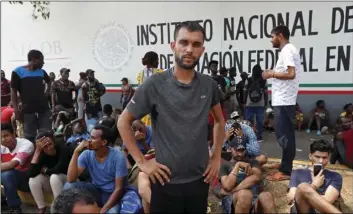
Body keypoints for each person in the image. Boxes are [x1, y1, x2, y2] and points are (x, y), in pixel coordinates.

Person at [118, 21, 225, 213]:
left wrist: (216, 157)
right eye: (184, 42)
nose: (189, 49)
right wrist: (142, 162)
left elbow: (219, 121)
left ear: (202, 50)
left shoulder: (209, 85)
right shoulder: (154, 85)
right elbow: (123, 122)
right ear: (173, 46)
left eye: (196, 44)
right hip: (165, 180)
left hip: (200, 180)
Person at [262, 25, 301, 181]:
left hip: (284, 100)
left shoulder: (287, 50)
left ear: (280, 35)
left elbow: (291, 74)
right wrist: (274, 72)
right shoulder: (288, 50)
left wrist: (271, 73)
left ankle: (286, 170)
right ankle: (286, 164)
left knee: (284, 135)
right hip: (285, 99)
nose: (271, 40)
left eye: (272, 37)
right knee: (285, 134)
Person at [65, 125, 128, 213]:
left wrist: (103, 210)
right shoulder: (87, 154)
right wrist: (76, 152)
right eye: (89, 137)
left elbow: (119, 189)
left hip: (112, 195)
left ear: (104, 142)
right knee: (69, 186)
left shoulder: (118, 157)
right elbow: (71, 179)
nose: (88, 140)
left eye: (93, 138)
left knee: (112, 212)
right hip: (96, 191)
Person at [219, 137, 277, 214]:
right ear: (230, 148)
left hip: (254, 199)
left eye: (242, 150)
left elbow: (256, 178)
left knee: (267, 196)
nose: (239, 154)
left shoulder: (252, 162)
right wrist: (237, 166)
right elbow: (227, 185)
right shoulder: (225, 165)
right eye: (237, 150)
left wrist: (232, 191)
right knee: (244, 195)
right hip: (233, 201)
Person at [287, 140, 342, 213]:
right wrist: (314, 185)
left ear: (328, 158)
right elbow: (291, 198)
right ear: (310, 156)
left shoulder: (335, 176)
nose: (321, 161)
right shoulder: (297, 173)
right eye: (317, 157)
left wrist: (304, 196)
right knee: (303, 187)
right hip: (302, 210)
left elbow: (328, 200)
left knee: (303, 187)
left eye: (324, 157)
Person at [10, 50, 52, 143]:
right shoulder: (17, 72)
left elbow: (49, 82)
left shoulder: (42, 72)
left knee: (46, 134)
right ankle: (32, 156)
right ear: (33, 59)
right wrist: (16, 110)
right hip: (27, 110)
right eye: (41, 60)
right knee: (29, 137)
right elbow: (13, 92)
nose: (43, 63)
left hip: (44, 109)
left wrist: (47, 92)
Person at [28, 131, 71, 214]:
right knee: (33, 180)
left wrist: (45, 170)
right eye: (44, 146)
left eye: (50, 144)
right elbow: (31, 173)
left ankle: (59, 209)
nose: (49, 148)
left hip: (68, 182)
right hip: (54, 183)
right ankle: (41, 208)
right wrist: (37, 151)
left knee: (54, 177)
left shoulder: (63, 149)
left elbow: (59, 168)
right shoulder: (41, 153)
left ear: (54, 142)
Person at [1, 123, 34, 213]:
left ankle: (15, 208)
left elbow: (12, 164)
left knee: (6, 174)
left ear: (14, 133)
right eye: (1, 137)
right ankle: (2, 201)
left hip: (28, 180)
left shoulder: (26, 144)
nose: (3, 139)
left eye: (6, 135)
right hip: (12, 180)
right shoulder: (2, 147)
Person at [137, 51, 164, 126]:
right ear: (154, 61)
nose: (158, 62)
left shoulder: (140, 74)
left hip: (144, 109)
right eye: (157, 60)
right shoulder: (160, 73)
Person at [244, 64, 268, 141]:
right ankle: (259, 137)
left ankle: (249, 136)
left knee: (248, 121)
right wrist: (265, 102)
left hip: (249, 104)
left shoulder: (249, 79)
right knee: (259, 122)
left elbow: (245, 92)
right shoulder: (264, 80)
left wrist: (244, 102)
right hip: (260, 104)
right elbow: (266, 93)